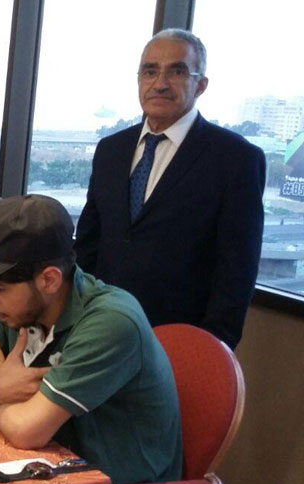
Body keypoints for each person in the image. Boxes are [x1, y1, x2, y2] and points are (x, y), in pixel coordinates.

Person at [0, 194, 182, 484]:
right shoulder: (21, 307)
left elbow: (26, 430)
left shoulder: (111, 323)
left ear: (49, 280)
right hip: (46, 477)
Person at [74, 28, 265, 349]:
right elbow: (88, 245)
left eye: (176, 71)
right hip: (99, 330)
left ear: (200, 85)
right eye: (150, 71)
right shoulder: (110, 150)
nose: (160, 83)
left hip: (179, 340)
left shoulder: (236, 158)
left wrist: (209, 349)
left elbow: (236, 271)